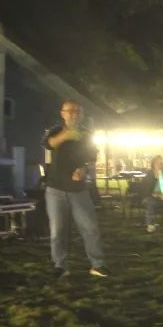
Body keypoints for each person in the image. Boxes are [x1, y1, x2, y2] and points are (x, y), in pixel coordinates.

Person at [43, 100, 108, 278]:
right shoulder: (56, 130)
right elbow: (49, 144)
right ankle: (60, 265)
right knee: (57, 231)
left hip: (79, 189)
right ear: (62, 113)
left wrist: (83, 169)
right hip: (55, 188)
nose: (73, 114)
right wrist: (67, 134)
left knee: (90, 228)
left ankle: (98, 264)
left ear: (81, 114)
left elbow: (91, 157)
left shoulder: (86, 135)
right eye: (69, 110)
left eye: (77, 111)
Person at [141, 155, 163, 233]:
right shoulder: (150, 175)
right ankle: (150, 224)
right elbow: (147, 191)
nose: (160, 165)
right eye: (158, 163)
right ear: (153, 164)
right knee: (150, 203)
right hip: (150, 197)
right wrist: (159, 195)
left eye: (161, 163)